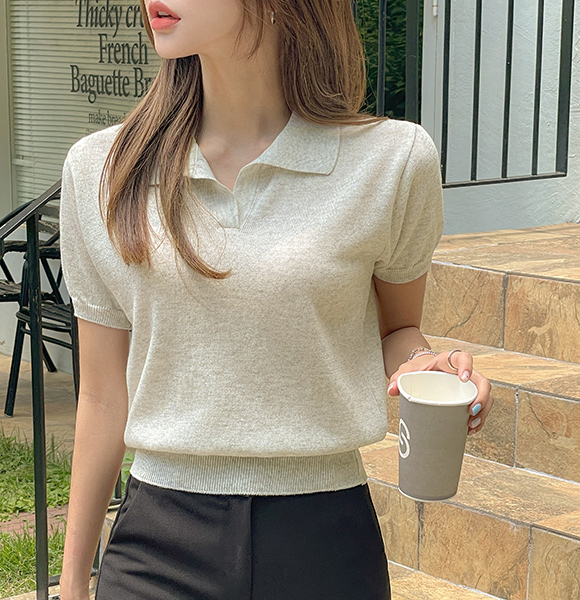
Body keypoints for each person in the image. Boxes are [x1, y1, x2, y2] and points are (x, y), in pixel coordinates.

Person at [58, 1, 494, 599]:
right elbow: (102, 396)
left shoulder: (390, 161)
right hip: (158, 546)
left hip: (324, 540)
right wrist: (73, 583)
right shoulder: (103, 171)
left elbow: (398, 331)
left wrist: (427, 365)